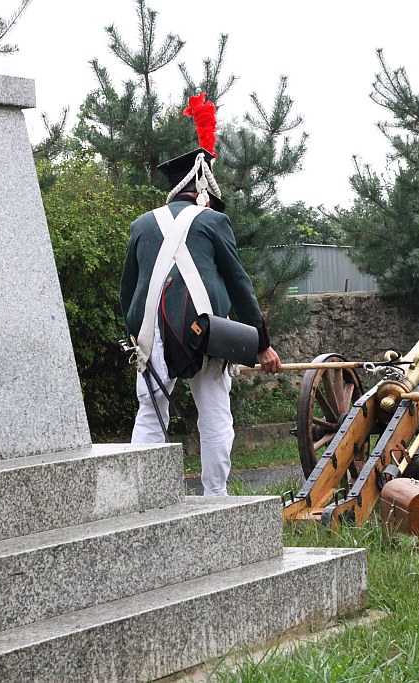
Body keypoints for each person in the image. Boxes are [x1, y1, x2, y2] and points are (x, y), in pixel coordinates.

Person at [120, 91, 282, 496]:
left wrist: (139, 339)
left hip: (152, 335)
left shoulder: (142, 225)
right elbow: (240, 286)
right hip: (204, 333)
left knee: (149, 413)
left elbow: (127, 294)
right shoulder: (213, 221)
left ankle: (145, 498)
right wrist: (261, 343)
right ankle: (215, 498)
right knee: (215, 417)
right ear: (204, 189)